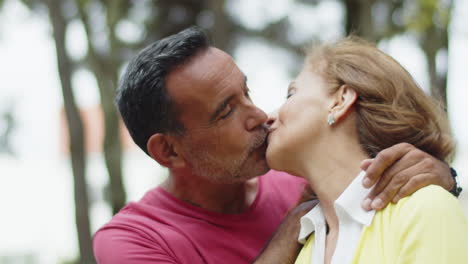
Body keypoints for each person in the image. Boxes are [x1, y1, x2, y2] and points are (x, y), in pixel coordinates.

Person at [93, 27, 457, 263]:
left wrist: (443, 177)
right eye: (226, 111)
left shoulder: (310, 185)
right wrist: (289, 232)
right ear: (168, 151)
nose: (259, 115)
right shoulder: (132, 241)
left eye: (246, 92)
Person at [266, 37, 468, 264]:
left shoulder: (426, 210)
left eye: (291, 94)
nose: (269, 116)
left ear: (340, 100)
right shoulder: (306, 246)